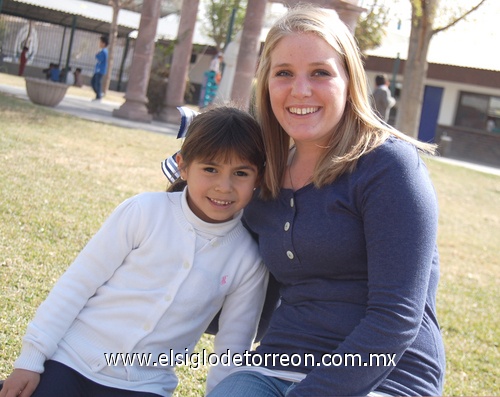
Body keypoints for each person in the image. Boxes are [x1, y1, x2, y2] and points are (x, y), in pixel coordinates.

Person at [207, 5, 445, 397]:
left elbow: (397, 317)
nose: (300, 90)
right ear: (266, 83)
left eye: (320, 72)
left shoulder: (389, 168)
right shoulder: (262, 175)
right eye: (284, 73)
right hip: (277, 365)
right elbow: (244, 296)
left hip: (387, 375)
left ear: (349, 80)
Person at [0, 106, 268, 397]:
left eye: (240, 173)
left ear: (258, 178)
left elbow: (233, 346)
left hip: (146, 386)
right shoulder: (144, 212)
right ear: (183, 165)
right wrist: (30, 360)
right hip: (70, 363)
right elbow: (76, 286)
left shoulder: (248, 259)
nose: (224, 186)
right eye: (210, 169)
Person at [91, 35, 109, 101]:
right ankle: (98, 94)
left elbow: (100, 59)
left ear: (104, 43)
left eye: (101, 42)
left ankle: (99, 95)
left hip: (100, 70)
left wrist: (97, 55)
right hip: (98, 70)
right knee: (93, 82)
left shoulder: (104, 51)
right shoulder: (103, 51)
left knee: (96, 83)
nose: (99, 44)